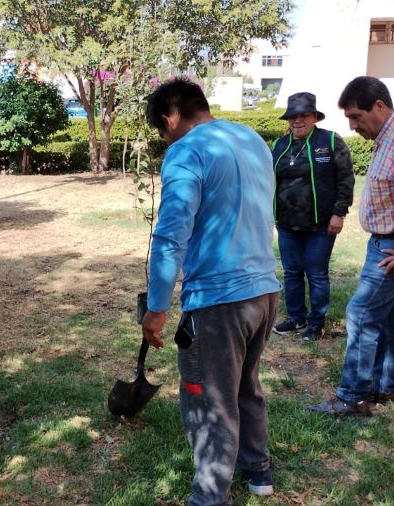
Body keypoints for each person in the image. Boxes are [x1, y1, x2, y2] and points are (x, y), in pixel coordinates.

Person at [140, 78, 282, 504]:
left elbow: (170, 237)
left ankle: (208, 496)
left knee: (208, 400)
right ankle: (258, 471)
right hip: (265, 292)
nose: (167, 138)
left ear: (170, 118)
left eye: (162, 131)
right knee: (245, 384)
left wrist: (156, 307)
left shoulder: (186, 151)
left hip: (219, 301)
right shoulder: (251, 138)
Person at [309, 76, 394, 417]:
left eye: (356, 116)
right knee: (388, 315)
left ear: (379, 106)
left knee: (362, 313)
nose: (353, 126)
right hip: (391, 241)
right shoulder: (393, 135)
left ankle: (353, 397)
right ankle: (388, 386)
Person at [271, 92, 354, 342]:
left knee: (316, 273)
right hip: (287, 223)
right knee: (291, 272)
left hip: (320, 224)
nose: (297, 120)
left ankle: (317, 322)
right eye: (292, 116)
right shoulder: (280, 145)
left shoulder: (329, 141)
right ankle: (297, 317)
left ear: (314, 116)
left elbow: (346, 179)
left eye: (303, 115)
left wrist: (339, 213)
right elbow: (268, 179)